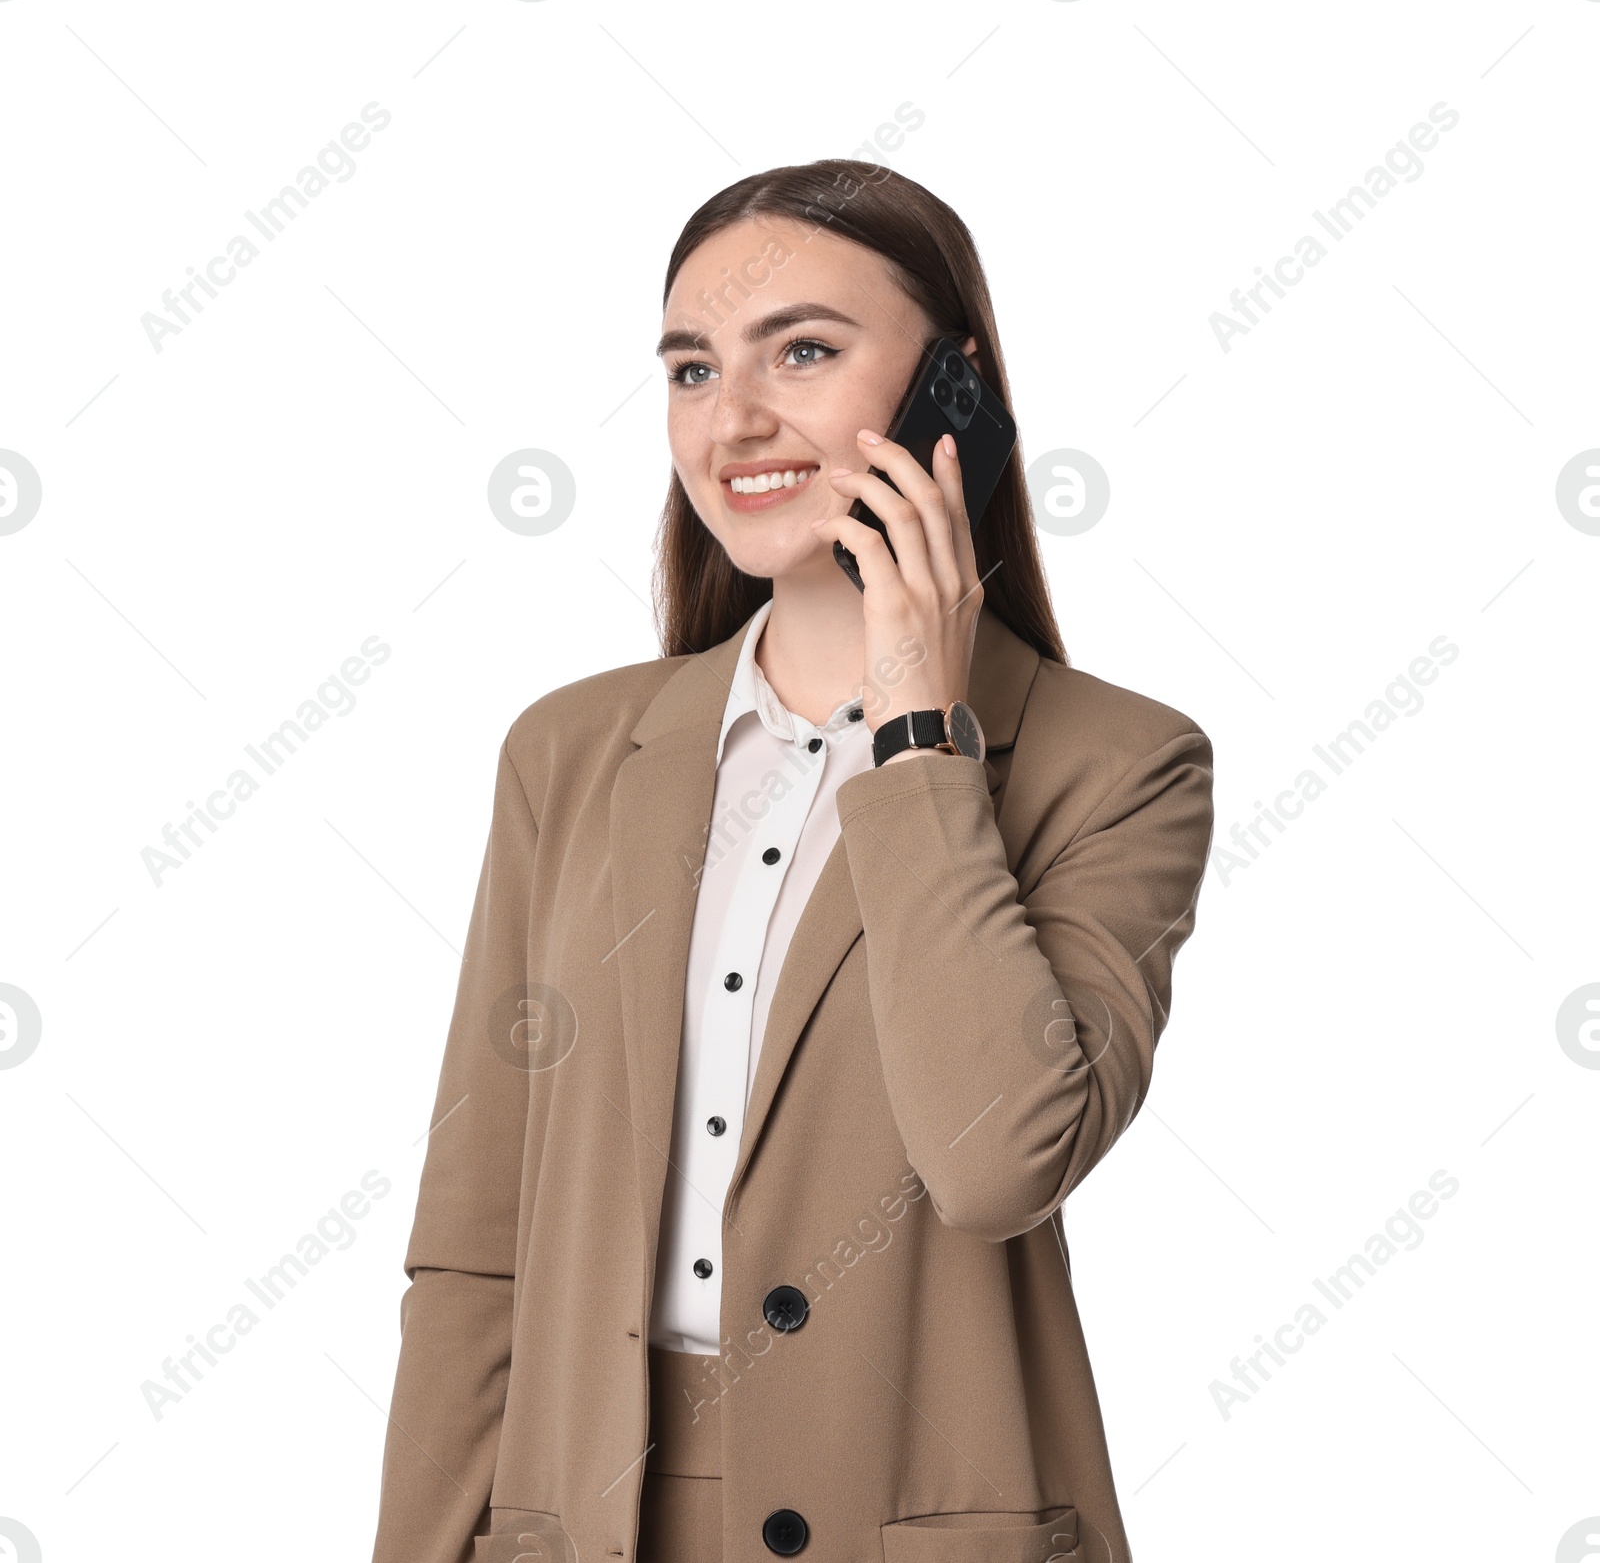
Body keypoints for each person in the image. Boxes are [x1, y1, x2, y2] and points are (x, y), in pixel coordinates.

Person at [369, 159, 1215, 1563]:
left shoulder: (1115, 765)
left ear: (957, 395)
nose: (735, 420)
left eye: (803, 352)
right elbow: (474, 1248)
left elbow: (1001, 1156)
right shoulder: (569, 753)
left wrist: (921, 731)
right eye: (692, 369)